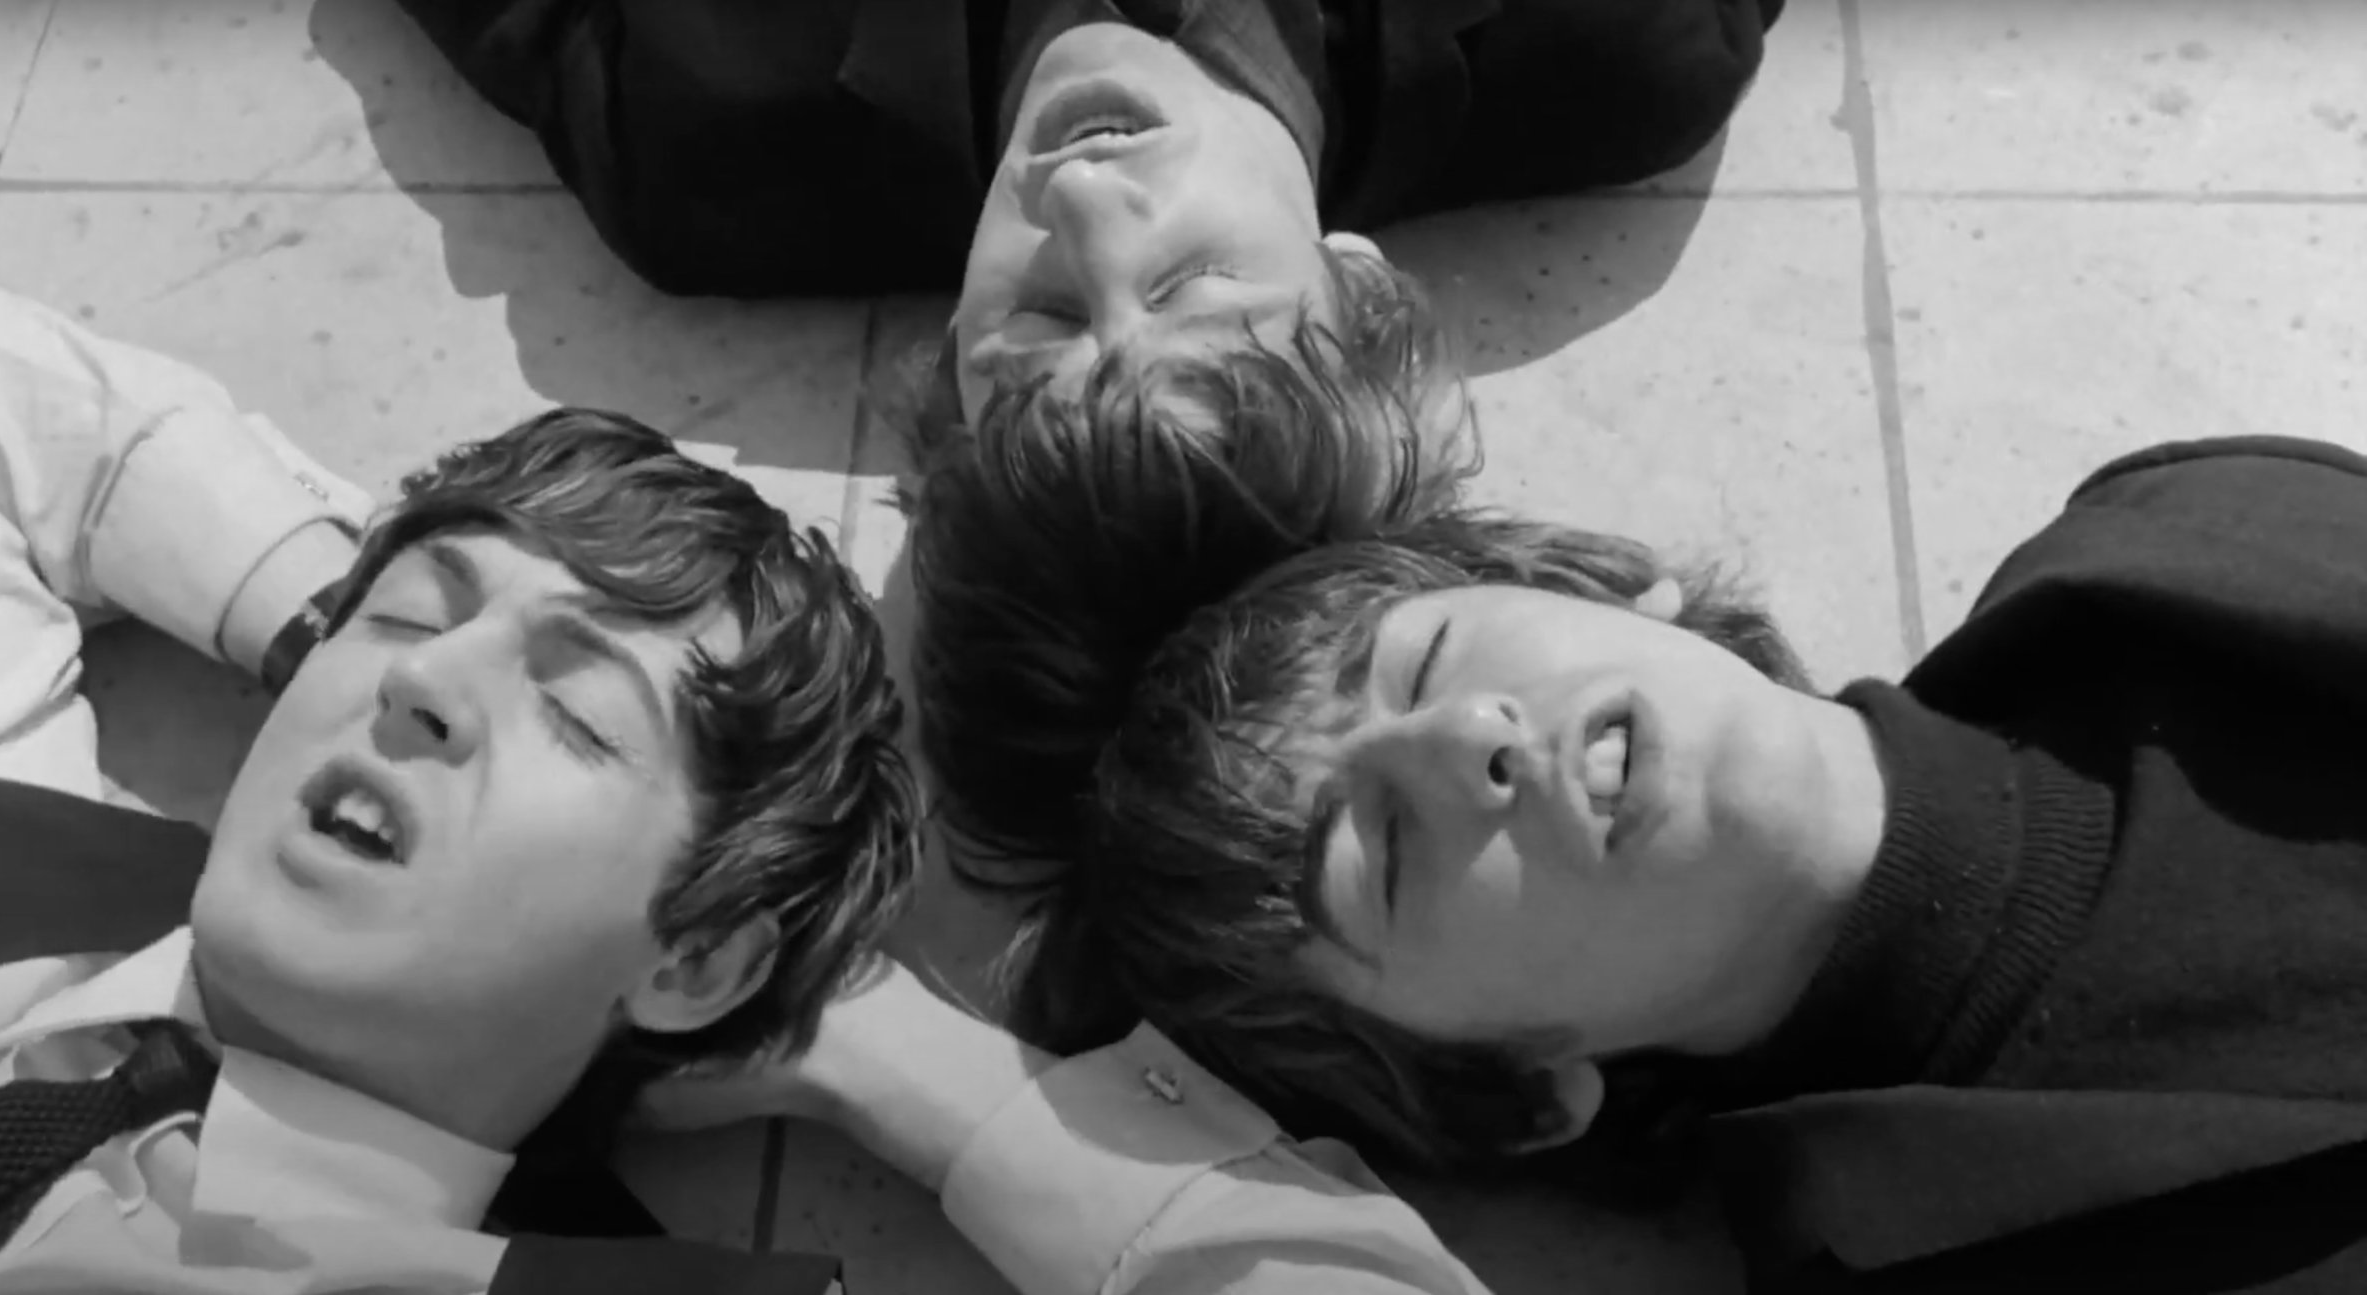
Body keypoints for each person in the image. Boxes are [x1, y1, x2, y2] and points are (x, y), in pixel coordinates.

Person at [902, 386, 2367, 1291]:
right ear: (1513, 1095)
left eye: (1423, 661)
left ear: (1610, 588)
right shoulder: (1968, 1248)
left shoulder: (2197, 516)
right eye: (1382, 850)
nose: (1469, 740)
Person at [0, 278, 918, 1294]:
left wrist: (963, 1105)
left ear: (696, 961)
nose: (417, 679)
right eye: (408, 617)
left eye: (576, 713)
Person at [396, 0, 1785, 420]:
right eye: (1192, 285)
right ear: (1357, 285)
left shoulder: (704, 138)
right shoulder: (1628, 43)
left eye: (1041, 319)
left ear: (951, 350)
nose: (1078, 205)